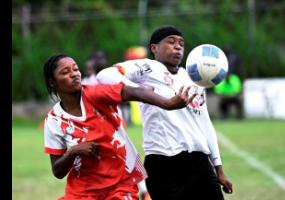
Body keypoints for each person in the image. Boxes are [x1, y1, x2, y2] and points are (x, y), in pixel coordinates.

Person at [96, 25, 233, 200]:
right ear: (154, 48)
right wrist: (140, 90)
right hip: (163, 165)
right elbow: (105, 75)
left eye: (181, 44)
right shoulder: (148, 67)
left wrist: (218, 169)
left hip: (200, 165)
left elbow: (205, 124)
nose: (178, 47)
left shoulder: (193, 80)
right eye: (171, 42)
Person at [42, 54, 195, 200]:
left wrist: (168, 103)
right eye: (65, 72)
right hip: (82, 190)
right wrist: (74, 151)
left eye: (75, 69)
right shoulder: (54, 120)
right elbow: (57, 171)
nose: (74, 74)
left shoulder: (95, 94)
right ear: (52, 82)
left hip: (121, 184)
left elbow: (132, 92)